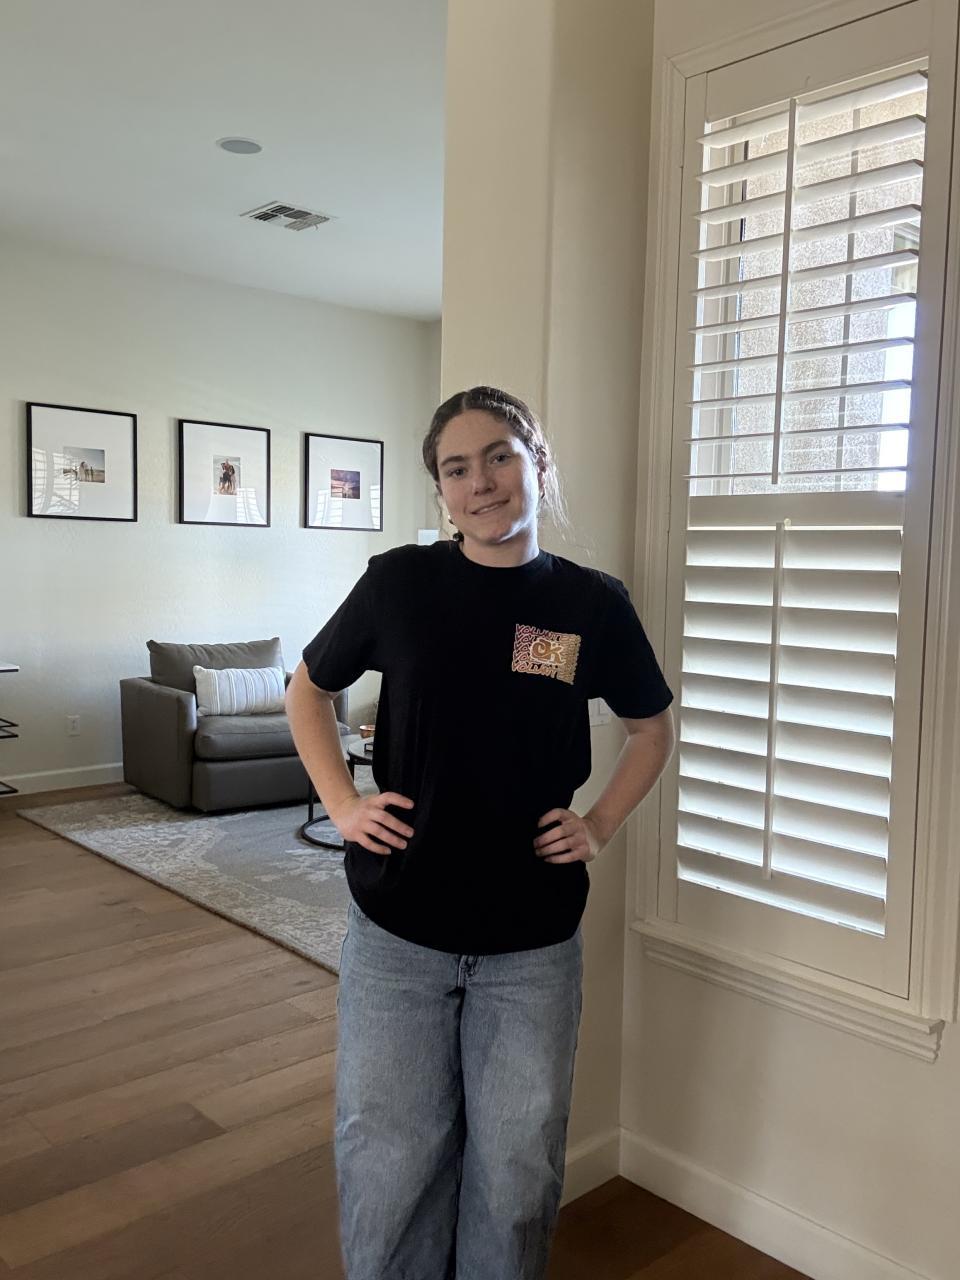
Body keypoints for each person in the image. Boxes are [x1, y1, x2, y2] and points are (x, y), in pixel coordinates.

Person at [286, 386, 675, 1280]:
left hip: (531, 943)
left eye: (500, 456)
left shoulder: (590, 604)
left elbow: (651, 729)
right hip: (399, 932)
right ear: (441, 491)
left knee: (519, 1170)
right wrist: (343, 805)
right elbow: (308, 690)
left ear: (538, 464)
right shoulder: (400, 584)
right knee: (390, 1159)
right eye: (457, 469)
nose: (482, 483)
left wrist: (599, 824)